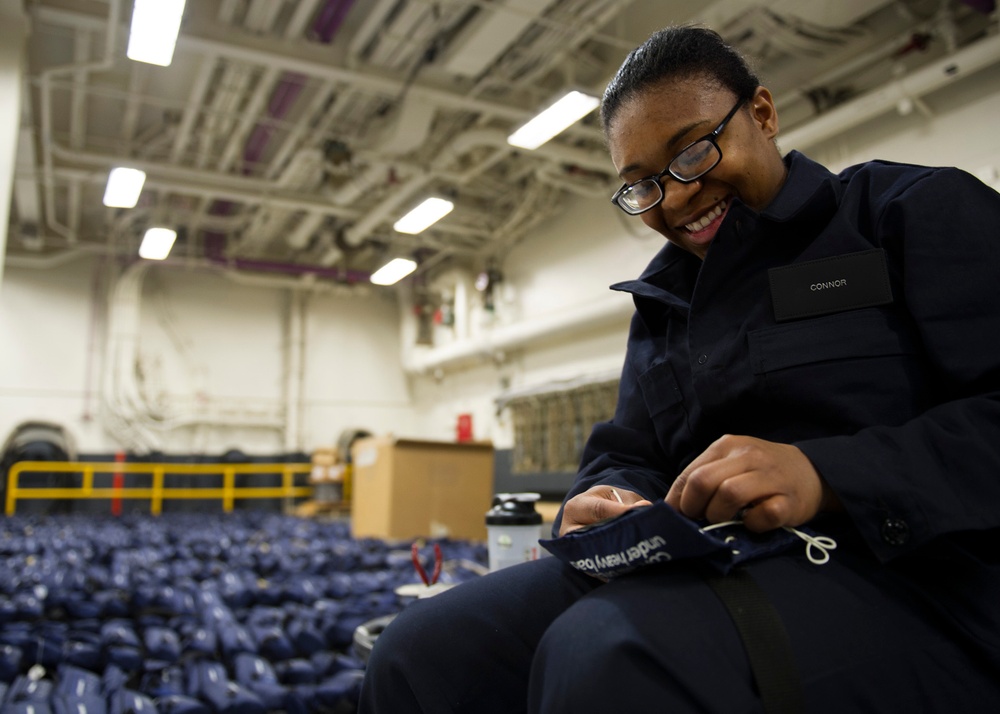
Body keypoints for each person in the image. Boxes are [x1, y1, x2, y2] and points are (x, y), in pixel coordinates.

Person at [358, 25, 1000, 713]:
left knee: (611, 655)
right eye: (639, 185)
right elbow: (629, 452)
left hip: (921, 585)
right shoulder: (664, 303)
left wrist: (828, 476)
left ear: (761, 114)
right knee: (421, 652)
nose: (674, 198)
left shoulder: (909, 215)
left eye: (692, 151)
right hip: (724, 565)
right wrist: (604, 498)